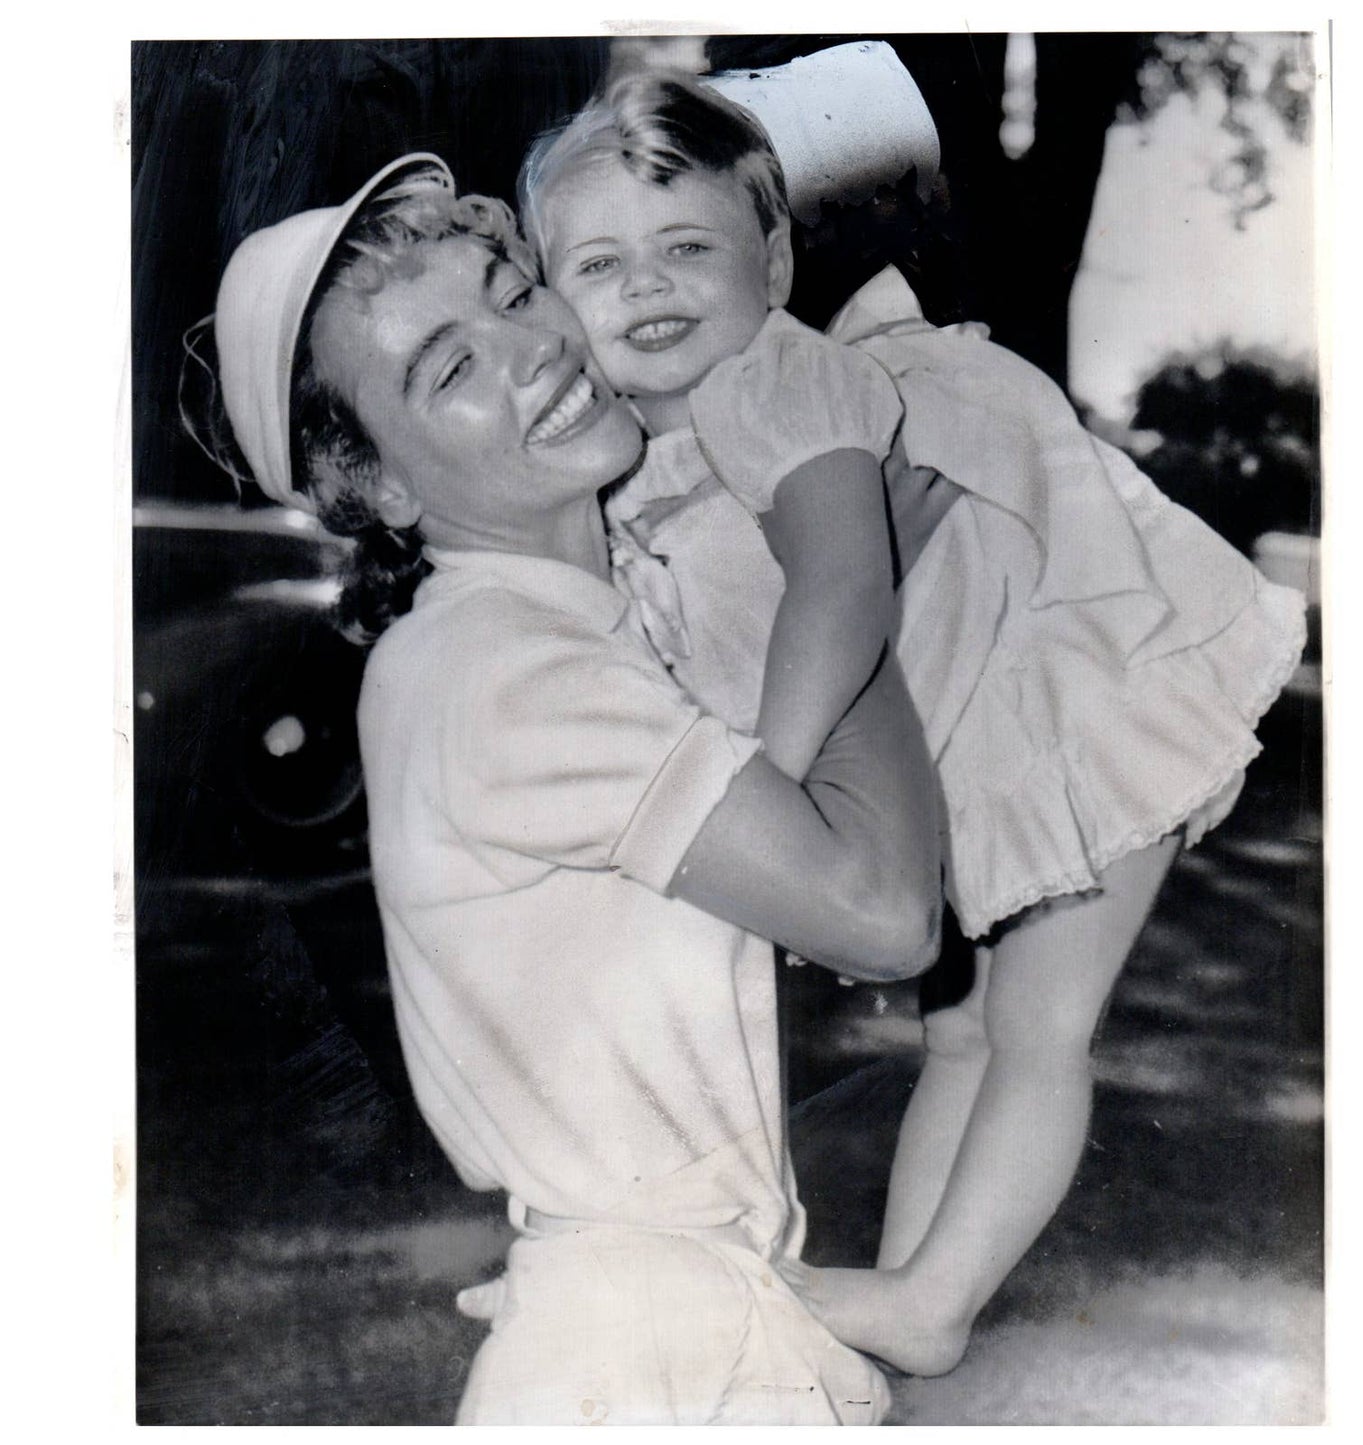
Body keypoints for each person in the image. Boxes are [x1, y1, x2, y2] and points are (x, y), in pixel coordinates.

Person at [517, 67, 1309, 1376]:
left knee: (1039, 1026)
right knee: (962, 1031)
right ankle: (908, 1297)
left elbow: (841, 588)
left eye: (684, 249)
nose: (644, 287)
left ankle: (932, 1294)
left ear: (769, 260)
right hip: (969, 745)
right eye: (598, 264)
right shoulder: (638, 467)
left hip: (1078, 689)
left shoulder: (772, 384)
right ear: (554, 298)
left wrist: (774, 797)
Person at [199, 151, 953, 1425]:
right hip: (647, 1356)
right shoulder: (501, 669)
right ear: (377, 485)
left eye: (511, 291)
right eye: (448, 367)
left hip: (659, 1322)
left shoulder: (561, 627)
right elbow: (880, 908)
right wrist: (840, 555)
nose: (530, 348)